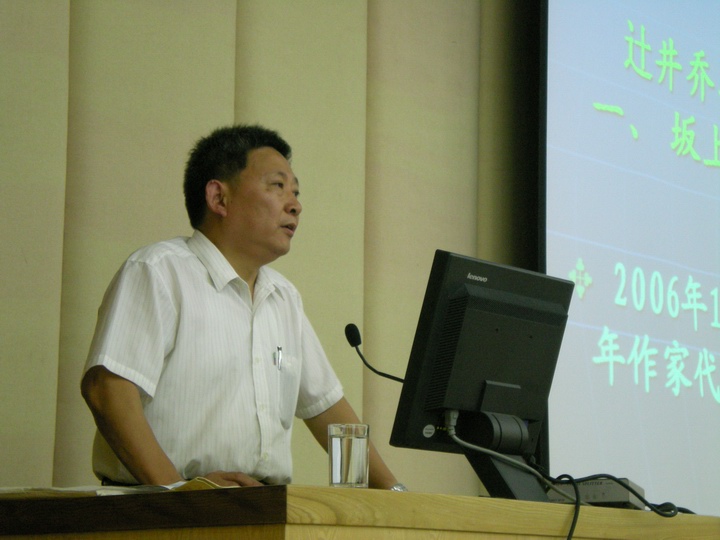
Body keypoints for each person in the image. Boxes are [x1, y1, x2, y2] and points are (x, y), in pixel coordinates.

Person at [81, 124, 402, 490]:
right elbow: (107, 390)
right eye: (277, 186)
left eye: (296, 192)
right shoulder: (159, 272)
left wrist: (396, 495)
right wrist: (182, 494)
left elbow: (327, 408)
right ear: (219, 198)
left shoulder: (283, 297)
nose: (295, 205)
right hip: (161, 506)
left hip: (261, 506)